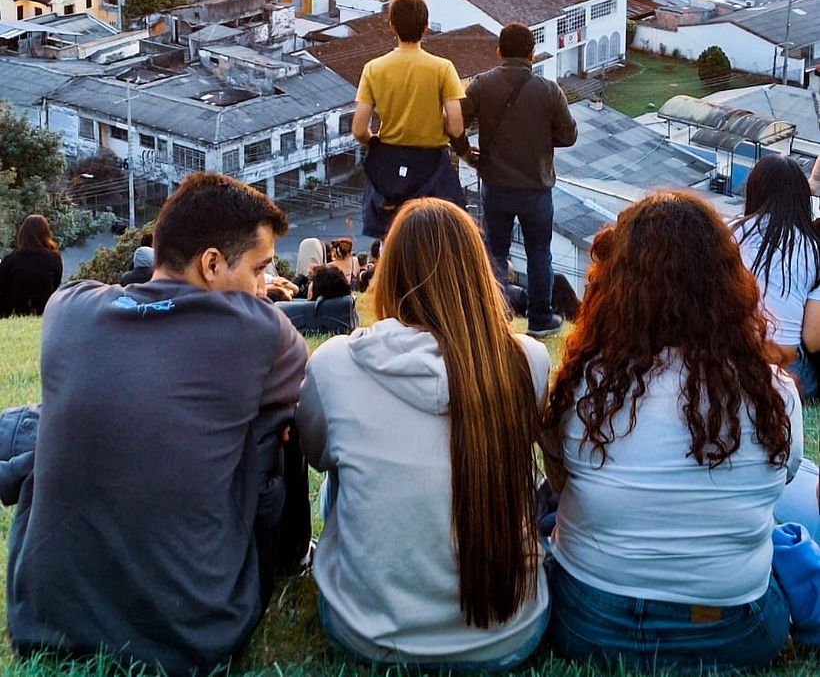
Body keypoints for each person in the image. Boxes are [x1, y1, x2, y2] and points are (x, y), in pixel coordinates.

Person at [7, 172, 309, 677]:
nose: (263, 287)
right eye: (259, 269)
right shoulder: (260, 328)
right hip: (193, 632)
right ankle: (295, 558)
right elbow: (309, 416)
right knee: (277, 426)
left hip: (42, 618)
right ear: (212, 264)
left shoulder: (67, 309)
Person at [545, 192, 805, 672]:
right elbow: (781, 480)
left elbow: (561, 482)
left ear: (618, 284)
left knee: (548, 510)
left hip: (590, 623)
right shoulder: (776, 393)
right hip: (731, 627)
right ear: (729, 282)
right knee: (785, 532)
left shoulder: (586, 383)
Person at [296, 199, 551, 668]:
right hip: (510, 635)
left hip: (370, 634)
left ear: (389, 275)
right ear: (478, 273)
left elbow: (315, 455)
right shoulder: (528, 361)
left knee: (337, 478)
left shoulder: (334, 364)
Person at [452, 22, 577, 338]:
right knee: (539, 252)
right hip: (536, 187)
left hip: (496, 184)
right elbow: (569, 135)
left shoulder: (482, 86)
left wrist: (468, 153)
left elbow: (454, 125)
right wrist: (541, 141)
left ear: (499, 51)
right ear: (531, 54)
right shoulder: (549, 90)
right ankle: (539, 318)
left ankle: (494, 315)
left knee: (495, 251)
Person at [352, 0, 465, 237]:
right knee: (439, 236)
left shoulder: (373, 69)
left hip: (390, 167)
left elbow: (359, 129)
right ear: (426, 26)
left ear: (392, 25)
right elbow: (456, 127)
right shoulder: (442, 68)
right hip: (431, 165)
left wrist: (375, 141)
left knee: (392, 237)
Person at [734, 156, 820, 398]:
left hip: (730, 359)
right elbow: (813, 339)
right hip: (786, 372)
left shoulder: (728, 234)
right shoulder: (812, 248)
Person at [0, 215, 62, 318]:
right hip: (44, 309)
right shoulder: (54, 258)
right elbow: (56, 283)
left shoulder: (11, 259)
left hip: (14, 309)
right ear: (46, 234)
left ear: (22, 233)